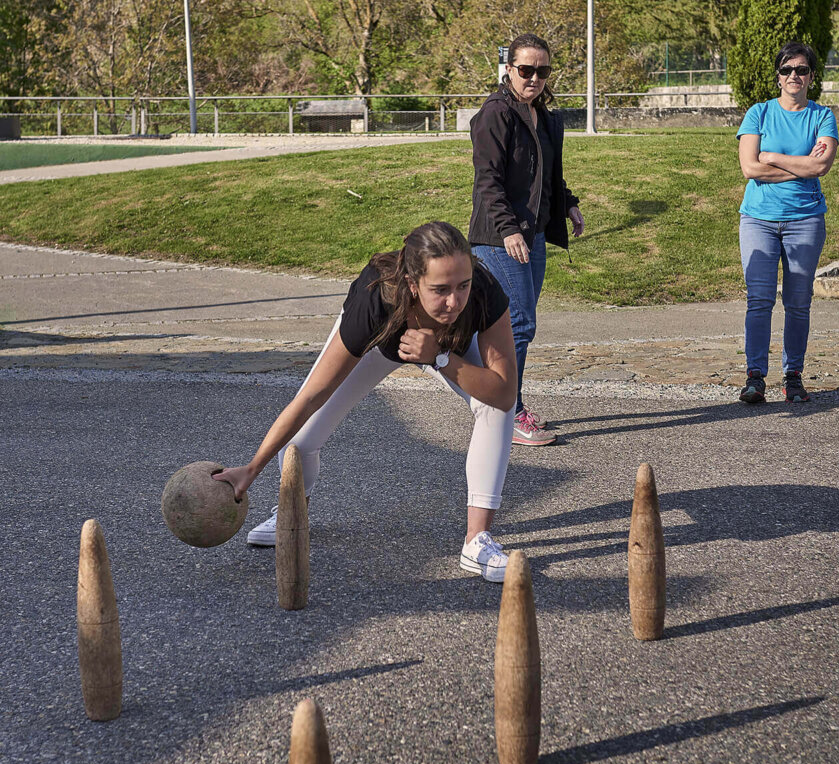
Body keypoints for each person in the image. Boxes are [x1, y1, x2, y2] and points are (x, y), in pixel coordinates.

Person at [214, 222, 518, 582]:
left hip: (443, 352)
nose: (454, 301)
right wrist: (252, 468)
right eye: (440, 290)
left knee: (495, 406)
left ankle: (477, 540)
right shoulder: (375, 298)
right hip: (380, 343)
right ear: (412, 283)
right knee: (301, 442)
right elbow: (311, 397)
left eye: (462, 285)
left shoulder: (483, 290)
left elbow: (504, 392)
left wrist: (440, 357)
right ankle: (293, 514)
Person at [469, 32, 584, 446]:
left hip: (531, 236)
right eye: (526, 69)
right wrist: (508, 229)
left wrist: (568, 204)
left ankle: (495, 397)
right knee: (519, 323)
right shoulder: (496, 114)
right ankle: (507, 410)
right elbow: (488, 181)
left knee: (516, 324)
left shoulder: (544, 117)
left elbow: (547, 176)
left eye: (542, 70)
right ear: (509, 69)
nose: (534, 77)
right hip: (499, 238)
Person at [735, 41, 839, 404]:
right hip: (758, 220)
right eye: (786, 69)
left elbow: (821, 166)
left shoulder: (822, 116)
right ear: (778, 76)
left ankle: (793, 376)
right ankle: (755, 377)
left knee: (798, 302)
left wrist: (772, 156)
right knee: (759, 300)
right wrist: (800, 166)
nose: (794, 75)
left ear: (811, 76)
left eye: (801, 69)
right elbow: (750, 168)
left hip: (805, 220)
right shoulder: (759, 113)